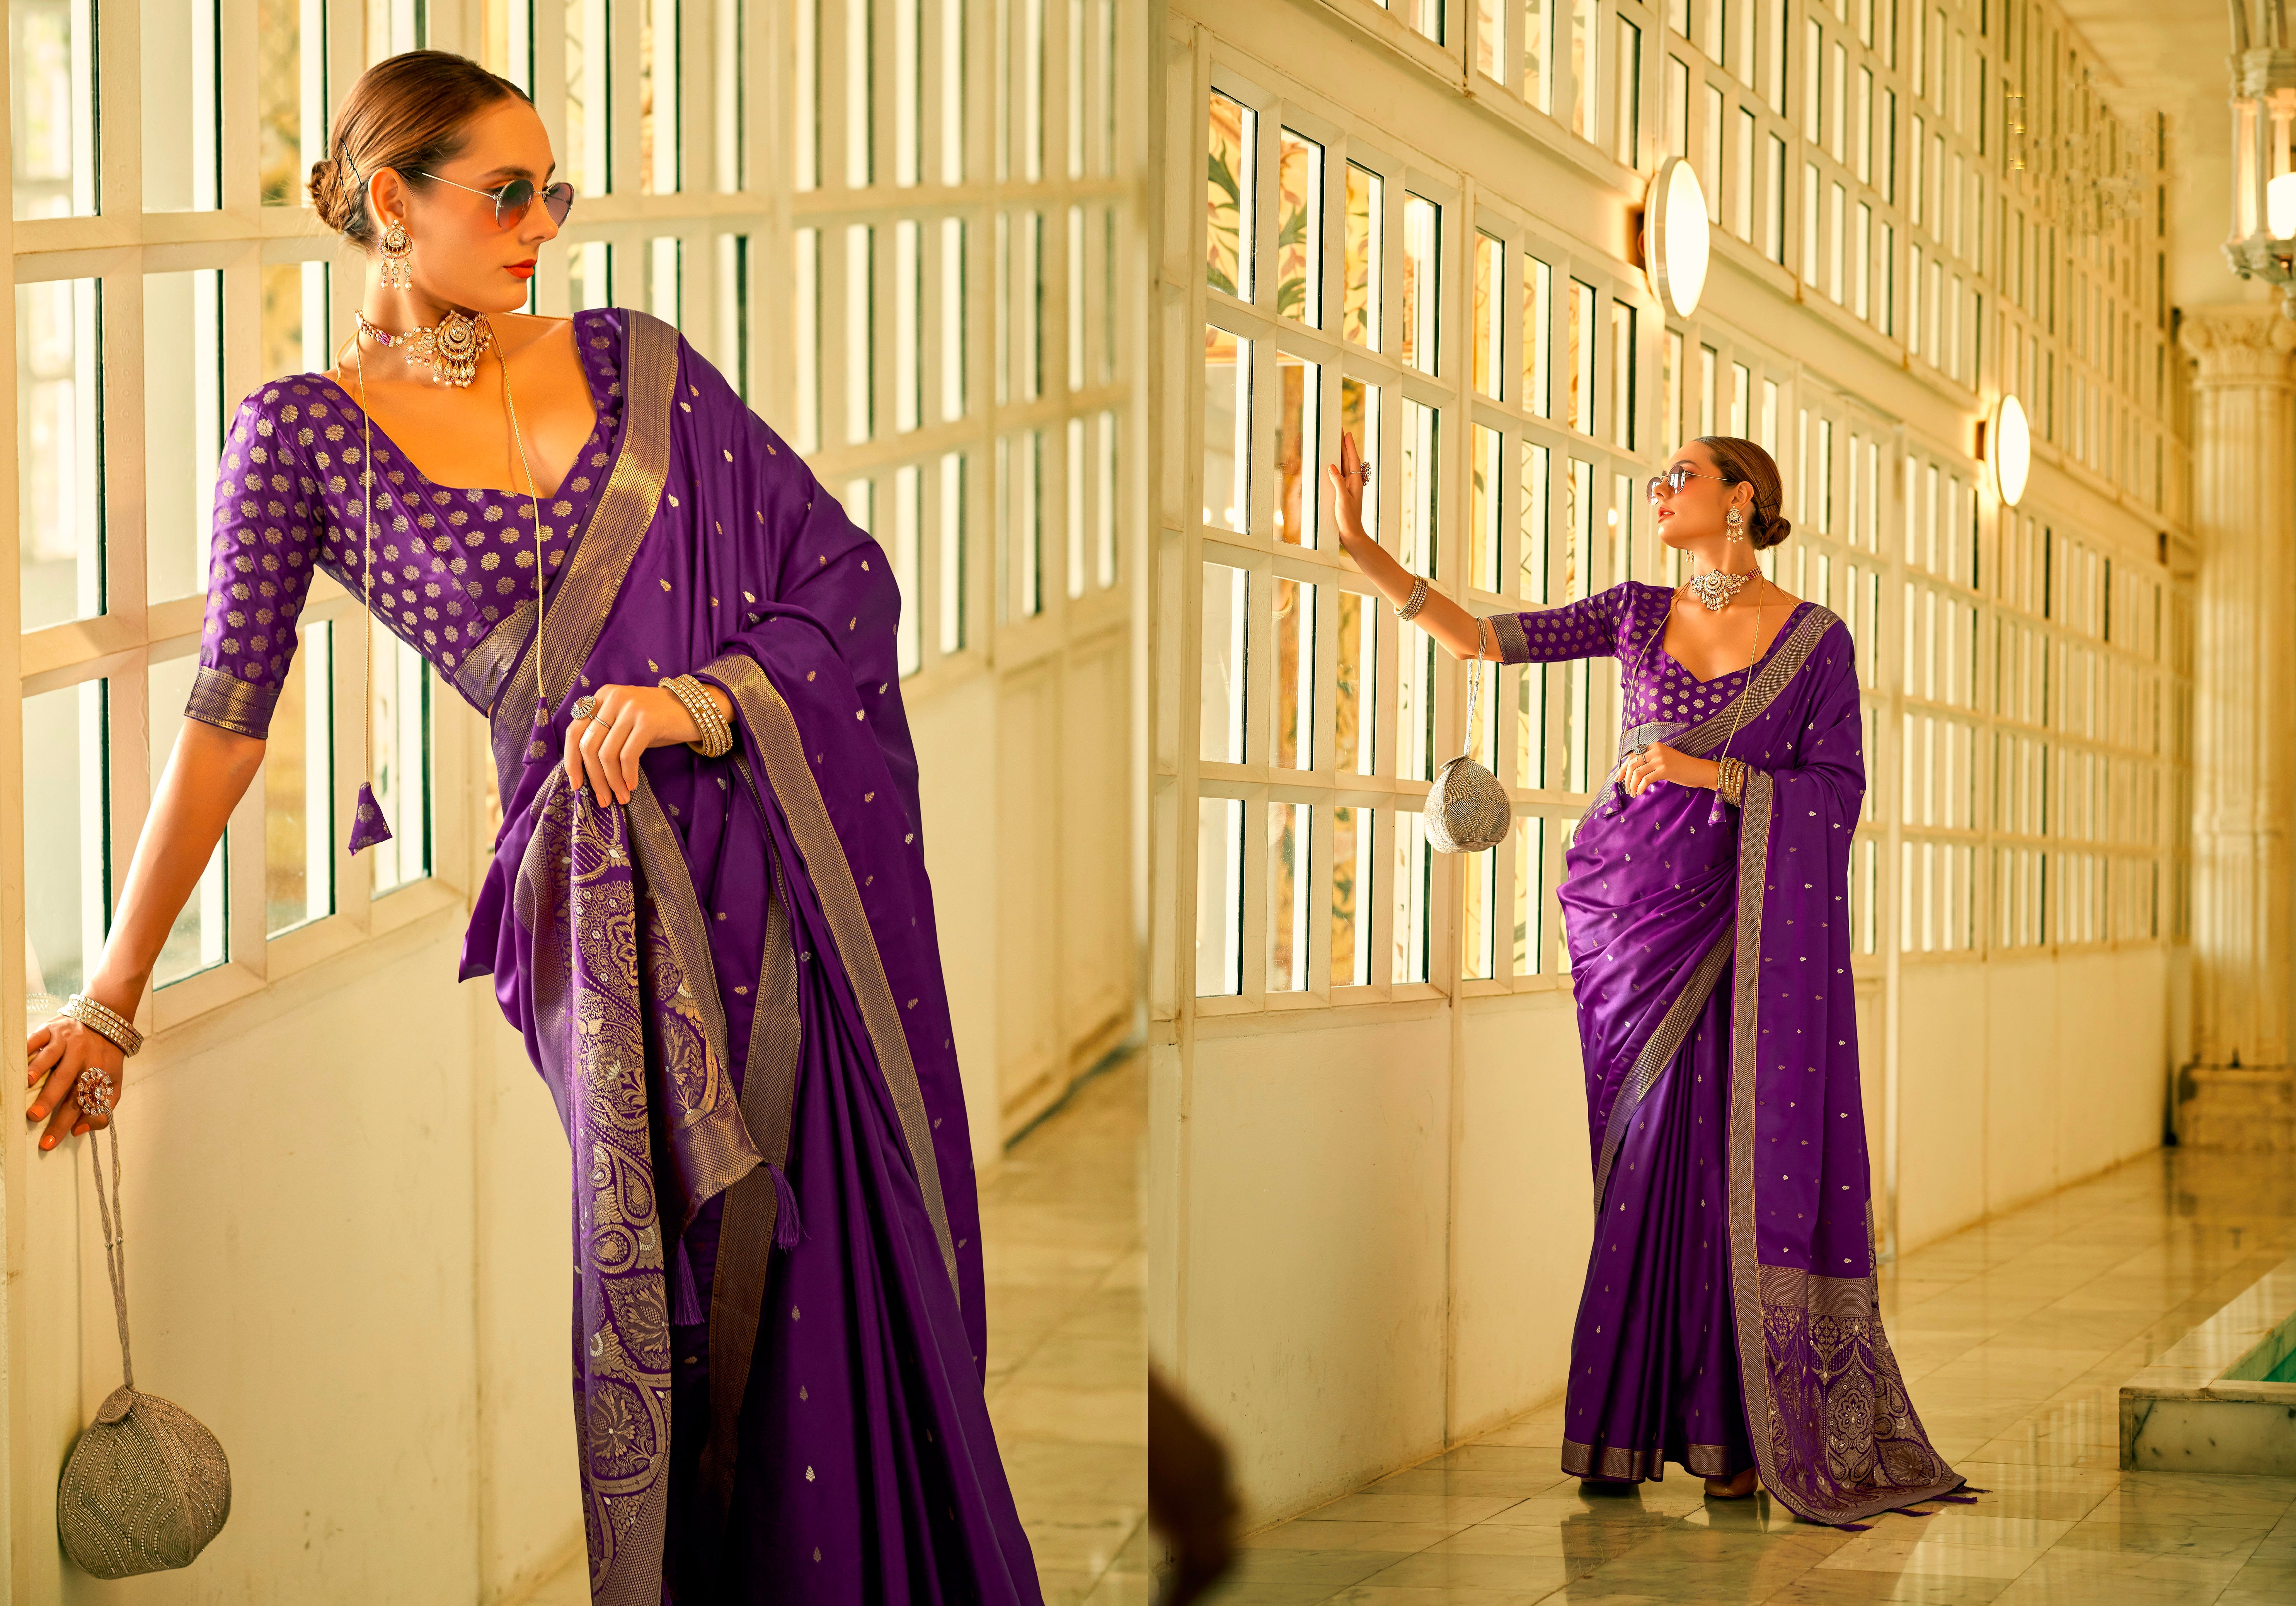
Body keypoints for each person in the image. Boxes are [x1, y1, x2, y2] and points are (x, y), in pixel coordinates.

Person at [23, 49, 1044, 1603]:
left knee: (833, 1267)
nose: (543, 227)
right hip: (608, 930)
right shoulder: (299, 438)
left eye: (552, 192)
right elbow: (226, 726)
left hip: (786, 882)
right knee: (692, 1299)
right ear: (392, 201)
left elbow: (847, 580)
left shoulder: (638, 363)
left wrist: (696, 700)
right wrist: (112, 994)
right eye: (507, 195)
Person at [1325, 431, 1965, 1526]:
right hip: (1627, 927)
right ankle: (1620, 1428)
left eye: (1682, 476)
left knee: (1722, 1163)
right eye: (1658, 479)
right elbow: (1480, 638)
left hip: (1741, 932)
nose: (1659, 490)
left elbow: (1836, 791)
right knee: (1641, 1165)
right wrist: (1356, 541)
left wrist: (1707, 770)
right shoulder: (1632, 611)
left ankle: (1729, 1434)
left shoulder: (1816, 641)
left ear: (1741, 497)